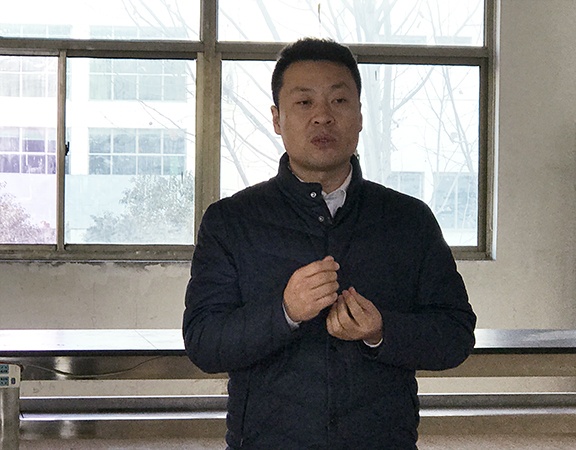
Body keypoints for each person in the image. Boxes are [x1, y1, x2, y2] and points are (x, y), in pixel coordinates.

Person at [183, 37, 477, 450]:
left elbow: (455, 334)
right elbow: (204, 342)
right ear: (277, 118)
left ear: (360, 116)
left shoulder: (408, 220)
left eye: (339, 101)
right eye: (304, 102)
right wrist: (284, 312)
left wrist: (381, 330)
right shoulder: (232, 221)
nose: (322, 116)